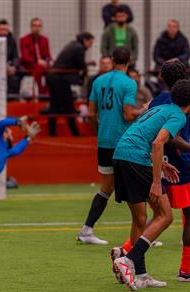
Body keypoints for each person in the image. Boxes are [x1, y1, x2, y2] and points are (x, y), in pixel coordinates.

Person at [110, 59, 190, 284]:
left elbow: (146, 135)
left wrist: (162, 164)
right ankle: (131, 259)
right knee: (171, 215)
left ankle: (140, 272)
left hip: (124, 155)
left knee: (141, 218)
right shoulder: (178, 113)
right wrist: (157, 180)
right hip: (158, 163)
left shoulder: (158, 103)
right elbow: (159, 142)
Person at [77, 47, 145, 245]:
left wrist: (100, 128)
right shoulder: (129, 83)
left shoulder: (99, 81)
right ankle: (145, 233)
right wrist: (145, 110)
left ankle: (87, 230)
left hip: (104, 141)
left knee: (107, 187)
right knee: (139, 184)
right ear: (130, 60)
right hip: (123, 143)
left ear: (113, 60)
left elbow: (90, 113)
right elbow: (127, 114)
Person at [46, 32, 95, 136]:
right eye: (90, 42)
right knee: (68, 106)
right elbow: (80, 65)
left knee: (55, 106)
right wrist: (86, 68)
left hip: (54, 78)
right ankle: (74, 132)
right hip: (60, 80)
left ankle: (52, 132)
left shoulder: (72, 45)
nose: (91, 45)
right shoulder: (79, 48)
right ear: (85, 40)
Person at [20, 18, 53, 96]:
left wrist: (48, 62)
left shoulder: (45, 40)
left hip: (42, 65)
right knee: (39, 67)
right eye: (34, 26)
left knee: (54, 69)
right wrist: (37, 61)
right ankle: (40, 90)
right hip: (29, 65)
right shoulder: (24, 40)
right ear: (31, 27)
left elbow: (47, 55)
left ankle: (48, 90)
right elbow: (25, 57)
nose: (37, 28)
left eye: (39, 26)